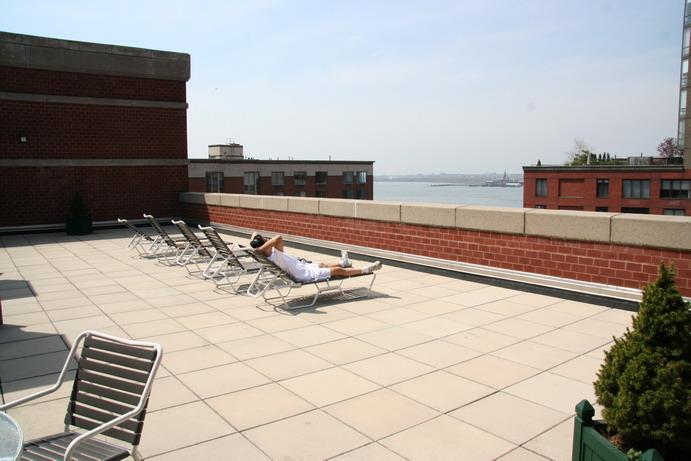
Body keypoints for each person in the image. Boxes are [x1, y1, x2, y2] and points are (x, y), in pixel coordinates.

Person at [249, 233, 382, 283]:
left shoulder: (271, 253)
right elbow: (278, 237)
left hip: (304, 267)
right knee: (337, 271)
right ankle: (366, 269)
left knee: (322, 264)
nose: (268, 240)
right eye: (265, 240)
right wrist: (260, 249)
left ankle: (344, 262)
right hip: (304, 275)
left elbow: (255, 233)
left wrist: (257, 245)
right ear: (264, 247)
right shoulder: (274, 257)